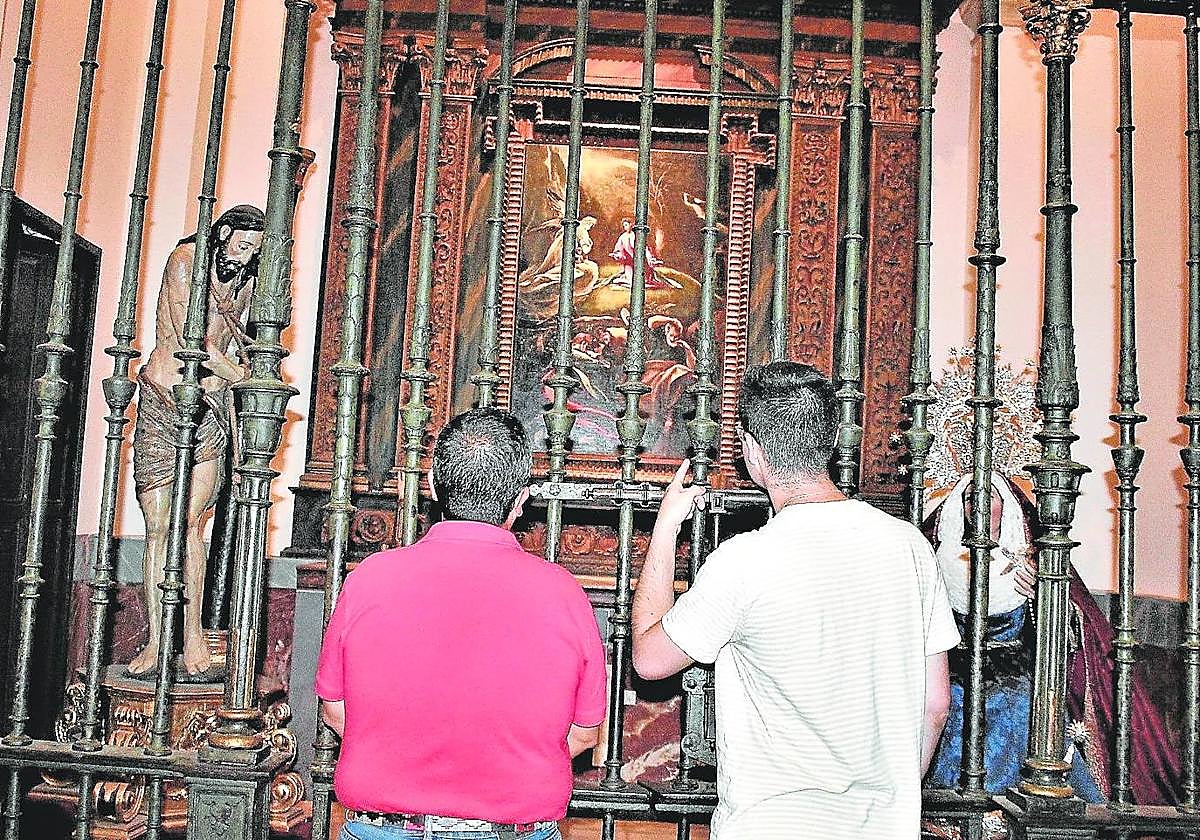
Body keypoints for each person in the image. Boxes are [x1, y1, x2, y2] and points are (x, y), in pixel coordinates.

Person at [631, 361, 959, 839]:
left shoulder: (745, 560)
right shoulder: (908, 546)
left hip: (772, 823)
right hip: (882, 824)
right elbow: (935, 703)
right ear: (827, 444)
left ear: (750, 450)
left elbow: (648, 659)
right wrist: (893, 795)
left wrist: (665, 527)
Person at [315, 408, 608, 840]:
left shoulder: (369, 580)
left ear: (432, 486)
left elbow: (336, 713)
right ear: (521, 498)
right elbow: (584, 736)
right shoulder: (563, 594)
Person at [924, 471, 1180, 804]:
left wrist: (1042, 597)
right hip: (951, 668)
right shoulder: (938, 558)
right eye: (971, 497)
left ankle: (1004, 806)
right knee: (945, 698)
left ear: (1009, 506)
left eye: (991, 497)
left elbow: (1072, 626)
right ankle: (948, 807)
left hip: (1016, 672)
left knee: (1023, 701)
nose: (981, 506)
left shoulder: (1033, 559)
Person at [129, 204, 265, 678]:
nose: (248, 258)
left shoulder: (244, 277)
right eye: (244, 246)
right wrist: (248, 377)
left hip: (209, 408)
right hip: (166, 397)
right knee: (159, 527)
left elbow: (230, 338)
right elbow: (194, 343)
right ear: (223, 232)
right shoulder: (187, 260)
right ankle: (156, 638)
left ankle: (190, 636)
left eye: (257, 251)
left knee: (190, 526)